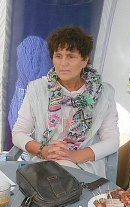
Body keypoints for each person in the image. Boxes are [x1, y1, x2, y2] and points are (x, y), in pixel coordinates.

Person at [12, 25, 119, 178]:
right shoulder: (37, 89)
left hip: (85, 166)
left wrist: (73, 156)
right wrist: (44, 150)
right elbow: (18, 133)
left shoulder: (103, 94)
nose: (63, 63)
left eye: (71, 56)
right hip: (43, 162)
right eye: (58, 56)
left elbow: (112, 140)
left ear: (85, 60)